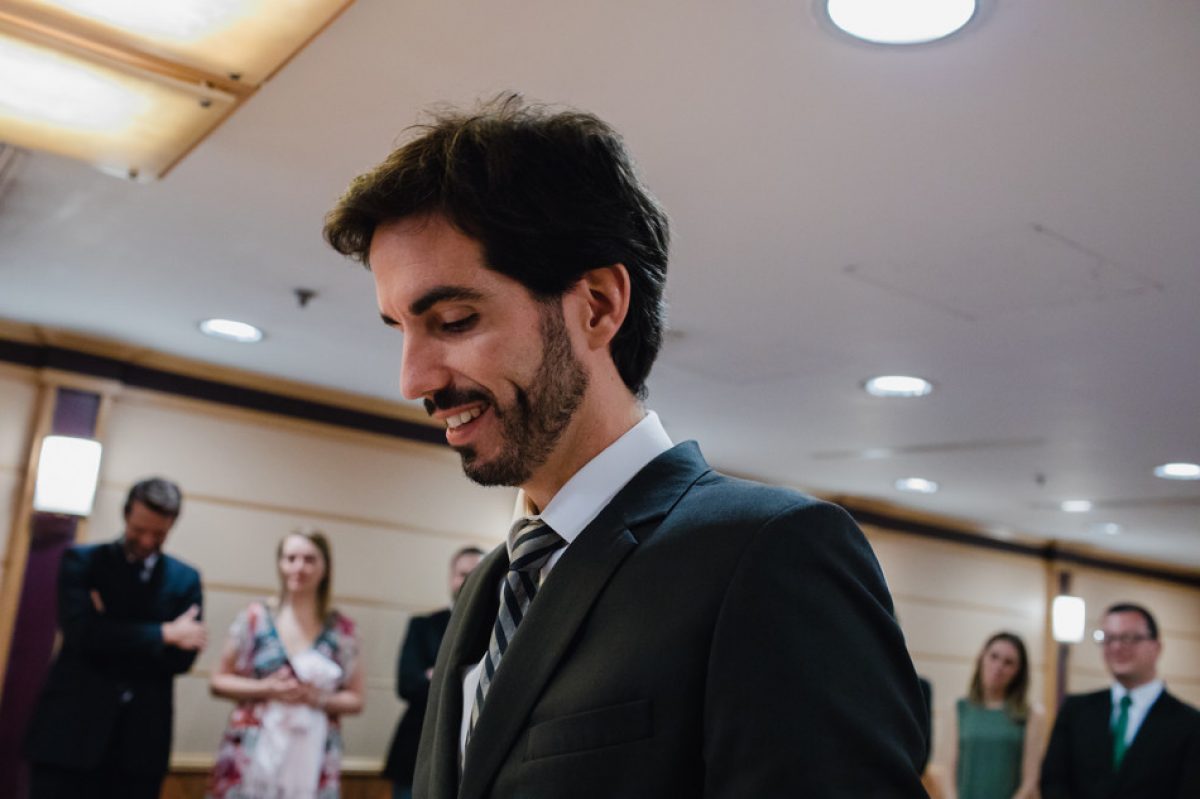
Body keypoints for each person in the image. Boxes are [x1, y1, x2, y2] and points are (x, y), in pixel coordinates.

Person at [322, 94, 927, 798]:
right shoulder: (490, 586)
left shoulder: (770, 554)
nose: (412, 380)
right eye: (399, 329)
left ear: (599, 305)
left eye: (454, 320)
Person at [25, 477, 206, 799]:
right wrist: (164, 633)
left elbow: (182, 658)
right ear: (126, 515)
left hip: (140, 743)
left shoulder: (185, 579)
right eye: (139, 530)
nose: (147, 540)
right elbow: (82, 634)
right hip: (71, 733)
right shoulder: (83, 562)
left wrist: (111, 629)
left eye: (159, 534)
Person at [207, 529, 364, 799]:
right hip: (254, 749)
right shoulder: (255, 618)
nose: (298, 567)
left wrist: (317, 698)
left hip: (313, 753)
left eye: (309, 559)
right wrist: (267, 689)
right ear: (280, 564)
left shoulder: (342, 630)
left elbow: (356, 698)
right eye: (291, 558)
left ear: (325, 567)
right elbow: (218, 680)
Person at [1041, 602, 1200, 798]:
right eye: (1108, 638)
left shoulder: (1190, 723)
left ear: (1156, 647)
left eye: (1129, 638)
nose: (1116, 647)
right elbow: (1053, 781)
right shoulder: (1076, 709)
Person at [383, 546, 484, 799]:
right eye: (463, 574)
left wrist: (435, 674)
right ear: (451, 578)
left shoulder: (497, 630)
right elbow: (407, 684)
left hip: (473, 754)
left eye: (477, 574)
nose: (469, 581)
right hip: (417, 749)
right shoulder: (423, 625)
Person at [950, 632, 1045, 799]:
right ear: (982, 658)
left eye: (1008, 662)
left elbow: (1030, 781)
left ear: (1018, 671)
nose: (999, 666)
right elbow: (948, 771)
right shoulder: (959, 709)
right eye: (994, 657)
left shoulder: (1031, 714)